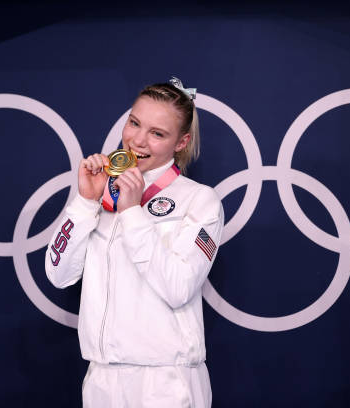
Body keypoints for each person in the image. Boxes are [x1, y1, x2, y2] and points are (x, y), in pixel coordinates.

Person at [45, 77, 224, 407]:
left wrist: (132, 212)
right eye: (134, 123)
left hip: (165, 383)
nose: (138, 140)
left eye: (157, 134)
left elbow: (178, 286)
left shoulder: (200, 201)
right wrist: (85, 202)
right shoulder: (103, 192)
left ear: (181, 142)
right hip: (102, 378)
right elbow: (58, 274)